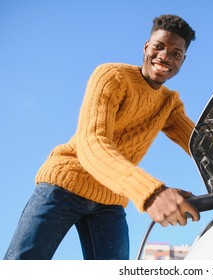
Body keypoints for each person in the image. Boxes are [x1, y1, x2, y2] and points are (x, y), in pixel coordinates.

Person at [4, 14, 200, 260]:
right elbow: (92, 144)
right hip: (65, 183)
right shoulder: (112, 76)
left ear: (183, 60)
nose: (164, 56)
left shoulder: (169, 103)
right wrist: (151, 192)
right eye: (159, 47)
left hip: (109, 200)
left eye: (175, 53)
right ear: (146, 47)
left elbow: (202, 146)